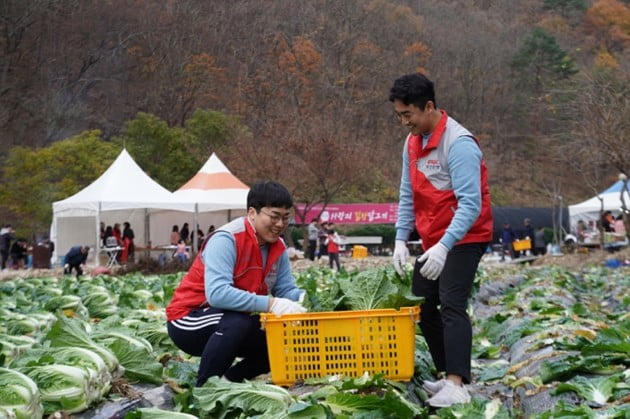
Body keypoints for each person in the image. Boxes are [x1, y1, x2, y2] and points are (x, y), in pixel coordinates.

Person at [389, 73, 493, 407]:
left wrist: (445, 246)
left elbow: (471, 204)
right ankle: (445, 372)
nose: (405, 122)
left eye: (409, 115)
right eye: (400, 116)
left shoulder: (458, 143)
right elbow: (408, 193)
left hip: (465, 235)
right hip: (432, 237)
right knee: (422, 303)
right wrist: (401, 240)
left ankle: (457, 383)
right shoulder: (412, 142)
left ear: (429, 106)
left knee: (451, 302)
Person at [166, 181, 306, 387]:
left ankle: (230, 380)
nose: (280, 224)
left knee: (283, 339)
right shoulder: (227, 239)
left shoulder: (278, 247)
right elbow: (218, 294)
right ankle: (204, 391)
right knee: (236, 322)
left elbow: (285, 289)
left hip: (231, 319)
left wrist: (303, 300)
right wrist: (271, 304)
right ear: (252, 213)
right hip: (189, 319)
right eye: (274, 216)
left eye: (285, 218)